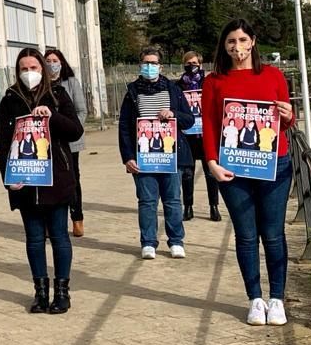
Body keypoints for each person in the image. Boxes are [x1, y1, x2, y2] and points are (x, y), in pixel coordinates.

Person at [202, 19, 295, 327]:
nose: (237, 47)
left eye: (242, 40)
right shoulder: (214, 81)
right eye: (231, 41)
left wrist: (289, 116)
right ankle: (255, 298)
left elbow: (284, 123)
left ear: (253, 41)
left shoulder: (273, 75)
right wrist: (212, 162)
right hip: (233, 168)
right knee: (245, 235)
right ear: (224, 45)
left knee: (272, 234)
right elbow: (210, 125)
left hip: (274, 165)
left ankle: (277, 298)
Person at [0, 48, 83, 314]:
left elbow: (75, 130)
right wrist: (8, 179)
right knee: (34, 238)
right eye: (23, 68)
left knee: (58, 236)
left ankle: (62, 292)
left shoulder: (57, 95)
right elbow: (3, 143)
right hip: (25, 181)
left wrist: (52, 116)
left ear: (42, 70)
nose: (29, 73)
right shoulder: (10, 98)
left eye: (33, 68)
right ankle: (40, 292)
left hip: (55, 179)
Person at [118, 46, 194, 260]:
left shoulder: (173, 89)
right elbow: (124, 126)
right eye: (146, 63)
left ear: (160, 66)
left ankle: (176, 241)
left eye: (154, 63)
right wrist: (127, 156)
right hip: (144, 156)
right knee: (147, 201)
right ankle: (148, 242)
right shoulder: (132, 91)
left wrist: (174, 114)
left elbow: (189, 120)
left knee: (172, 200)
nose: (149, 67)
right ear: (140, 65)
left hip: (171, 156)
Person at [44, 49, 88, 236]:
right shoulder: (40, 85)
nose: (51, 63)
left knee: (72, 179)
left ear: (61, 62)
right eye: (48, 60)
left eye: (55, 60)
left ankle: (77, 217)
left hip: (69, 142)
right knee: (47, 180)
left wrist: (69, 129)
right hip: (46, 143)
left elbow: (81, 111)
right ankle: (48, 221)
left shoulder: (71, 83)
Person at [177, 50, 221, 222]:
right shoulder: (179, 85)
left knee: (211, 173)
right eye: (188, 63)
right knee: (187, 173)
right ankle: (188, 206)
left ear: (200, 64)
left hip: (205, 133)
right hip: (187, 134)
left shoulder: (208, 82)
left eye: (194, 63)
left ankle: (214, 206)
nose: (191, 66)